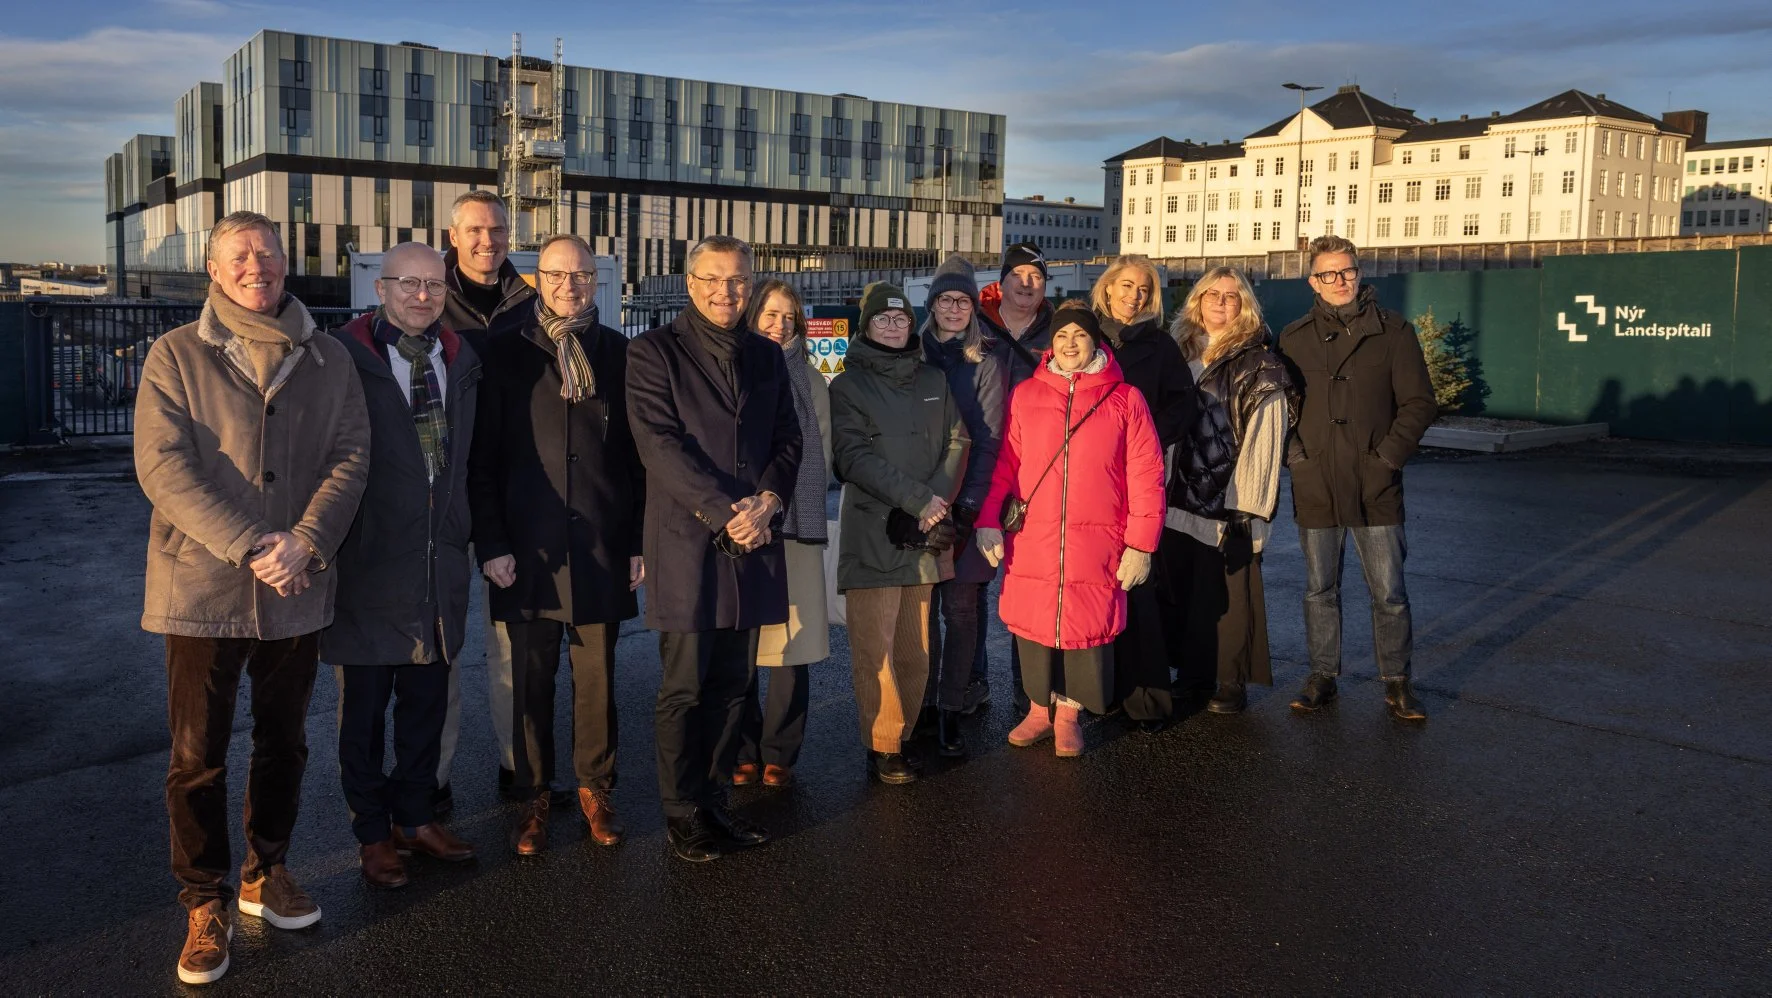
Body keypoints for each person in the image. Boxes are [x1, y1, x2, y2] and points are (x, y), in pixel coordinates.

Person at [134, 210, 369, 985]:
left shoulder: (328, 357)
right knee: (196, 754)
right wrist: (257, 544)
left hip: (298, 581)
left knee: (285, 740)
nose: (255, 267)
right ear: (213, 269)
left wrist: (307, 540)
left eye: (266, 253)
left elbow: (351, 457)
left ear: (284, 262)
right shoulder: (176, 354)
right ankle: (203, 900)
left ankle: (267, 871)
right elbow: (164, 469)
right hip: (202, 584)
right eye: (238, 256)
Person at [627, 235, 803, 862]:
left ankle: (714, 799)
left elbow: (788, 438)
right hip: (688, 544)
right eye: (712, 279)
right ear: (690, 282)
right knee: (684, 687)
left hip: (753, 540)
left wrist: (770, 501)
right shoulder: (653, 352)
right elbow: (659, 446)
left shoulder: (766, 354)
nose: (725, 292)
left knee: (734, 683)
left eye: (737, 280)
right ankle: (682, 812)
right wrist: (729, 513)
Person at [469, 234, 646, 855]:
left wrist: (637, 541)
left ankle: (596, 787)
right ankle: (535, 796)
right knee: (531, 679)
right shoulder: (503, 351)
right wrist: (491, 544)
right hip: (527, 549)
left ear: (595, 281)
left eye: (581, 275)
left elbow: (637, 459)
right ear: (537, 280)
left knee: (598, 678)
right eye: (557, 275)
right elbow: (482, 462)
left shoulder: (619, 354)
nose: (570, 286)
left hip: (601, 542)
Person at [326, 242, 479, 888]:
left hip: (438, 567)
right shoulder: (342, 356)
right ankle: (371, 831)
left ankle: (415, 817)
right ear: (381, 288)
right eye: (409, 284)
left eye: (434, 286)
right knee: (363, 714)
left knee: (425, 705)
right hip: (368, 565)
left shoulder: (459, 358)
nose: (423, 296)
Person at [974, 304, 1164, 758]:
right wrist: (987, 521)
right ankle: (1038, 710)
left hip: (1097, 539)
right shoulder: (1026, 394)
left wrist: (1141, 544)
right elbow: (1006, 464)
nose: (1070, 343)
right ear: (1051, 344)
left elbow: (1146, 474)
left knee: (1085, 626)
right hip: (1035, 538)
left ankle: (1068, 716)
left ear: (1096, 341)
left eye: (1080, 335)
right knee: (1034, 623)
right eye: (1062, 335)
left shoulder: (1125, 399)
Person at [1275, 235, 1436, 721]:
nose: (1339, 280)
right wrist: (1296, 457)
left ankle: (1397, 681)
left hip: (1375, 482)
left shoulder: (1394, 331)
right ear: (1313, 281)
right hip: (1317, 480)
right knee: (1319, 589)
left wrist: (1387, 459)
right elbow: (1278, 407)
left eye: (1346, 271)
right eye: (1328, 273)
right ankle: (1322, 676)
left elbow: (1419, 403)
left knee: (1389, 592)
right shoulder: (1293, 338)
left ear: (1359, 273)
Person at [831, 282, 968, 783]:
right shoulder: (847, 386)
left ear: (913, 325)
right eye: (883, 319)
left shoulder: (933, 378)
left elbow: (959, 440)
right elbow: (851, 456)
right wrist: (917, 500)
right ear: (866, 326)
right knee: (876, 647)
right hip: (875, 531)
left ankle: (905, 733)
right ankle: (883, 743)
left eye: (901, 319)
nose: (893, 327)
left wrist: (935, 502)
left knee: (916, 646)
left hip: (925, 532)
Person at [441, 189, 539, 811]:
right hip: (445, 490)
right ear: (453, 236)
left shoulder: (531, 303)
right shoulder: (430, 299)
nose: (488, 240)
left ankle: (520, 767)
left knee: (513, 644)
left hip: (511, 493)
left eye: (498, 229)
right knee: (442, 643)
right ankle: (432, 780)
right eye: (475, 230)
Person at [1164, 268, 1300, 715]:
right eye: (1212, 295)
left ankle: (1230, 680)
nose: (1221, 303)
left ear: (1245, 306)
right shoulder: (1180, 353)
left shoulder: (1260, 363)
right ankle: (1194, 673)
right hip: (1179, 497)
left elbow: (1267, 434)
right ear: (1197, 301)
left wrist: (1248, 507)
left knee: (1232, 594)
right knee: (1190, 590)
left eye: (1232, 296)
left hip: (1230, 500)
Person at [1088, 256, 1197, 733]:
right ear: (1108, 288)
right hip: (1089, 479)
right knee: (1093, 584)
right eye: (1127, 285)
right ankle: (1098, 691)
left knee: (1138, 584)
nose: (1134, 296)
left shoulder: (1160, 344)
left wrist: (1146, 438)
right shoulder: (1084, 335)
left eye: (1144, 289)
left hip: (1137, 478)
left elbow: (1183, 405)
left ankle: (1145, 697)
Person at [733, 279, 831, 789]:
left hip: (796, 524)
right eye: (770, 314)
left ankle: (780, 752)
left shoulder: (810, 379)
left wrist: (784, 500)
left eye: (788, 316)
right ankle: (743, 747)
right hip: (742, 522)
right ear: (752, 315)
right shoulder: (734, 367)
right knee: (743, 640)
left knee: (795, 644)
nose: (779, 324)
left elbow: (823, 451)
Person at [916, 255, 1005, 758]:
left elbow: (989, 439)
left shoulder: (985, 362)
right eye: (945, 299)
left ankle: (952, 706)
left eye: (963, 300)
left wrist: (969, 505)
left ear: (974, 307)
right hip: (919, 501)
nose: (954, 308)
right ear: (932, 305)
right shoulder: (912, 354)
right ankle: (925, 704)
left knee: (962, 610)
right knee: (923, 612)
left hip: (967, 501)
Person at [978, 241, 1056, 712]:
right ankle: (969, 686)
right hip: (976, 466)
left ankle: (1031, 692)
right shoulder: (972, 322)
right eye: (1019, 275)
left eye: (1037, 277)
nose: (1027, 284)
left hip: (1035, 474)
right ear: (1002, 280)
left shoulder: (1061, 331)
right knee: (967, 590)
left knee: (1030, 584)